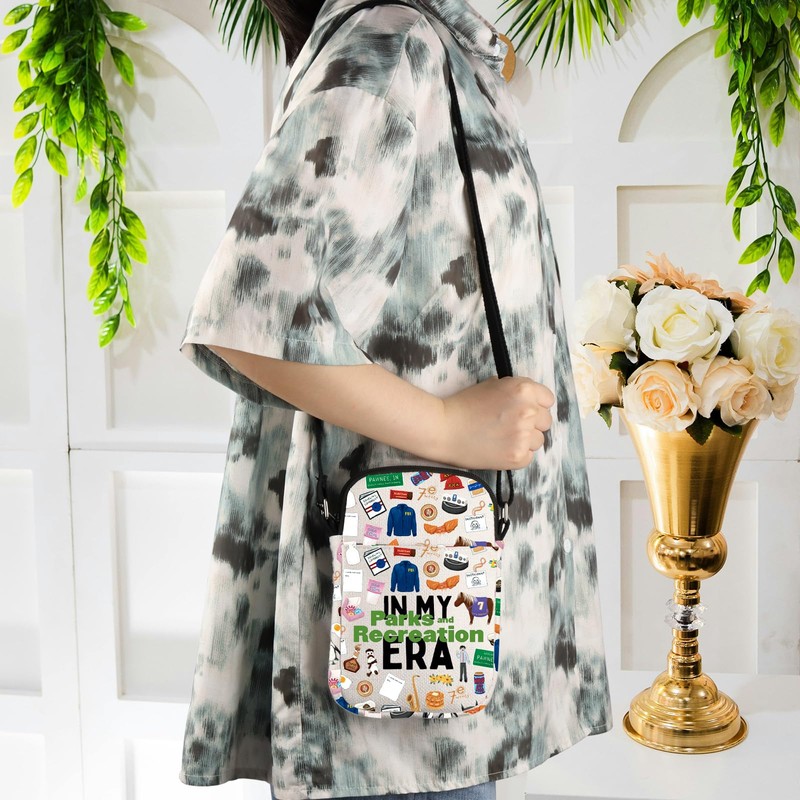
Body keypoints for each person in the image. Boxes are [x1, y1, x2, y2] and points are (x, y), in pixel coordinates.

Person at [177, 1, 613, 798]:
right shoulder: (390, 45)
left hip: (439, 612)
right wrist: (448, 424)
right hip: (405, 638)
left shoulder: (427, 46)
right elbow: (248, 314)